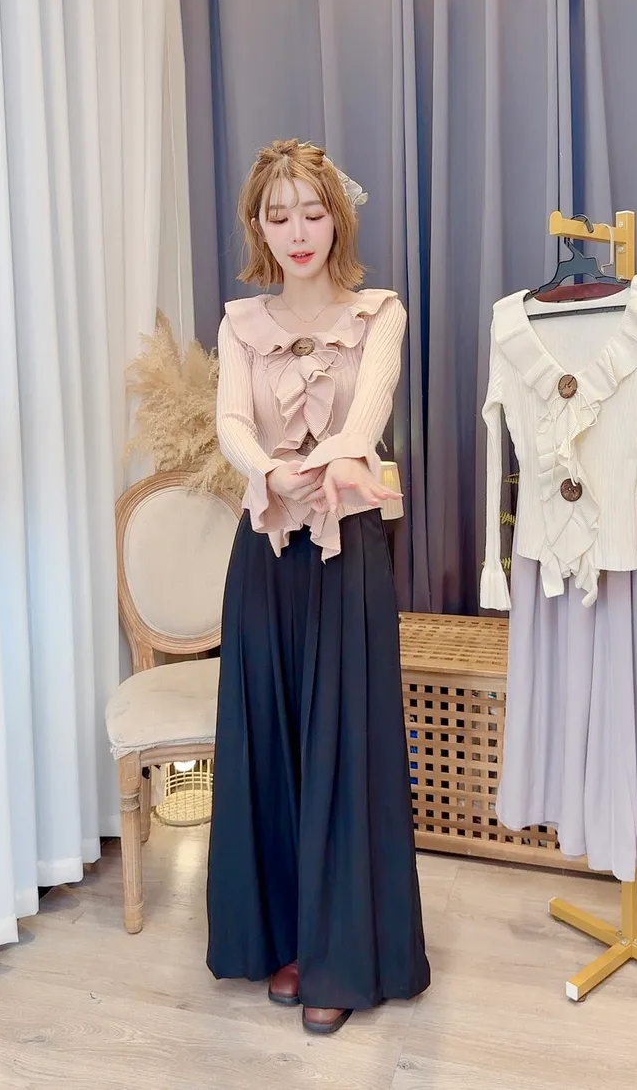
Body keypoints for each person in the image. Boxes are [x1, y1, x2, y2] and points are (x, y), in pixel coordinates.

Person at [205, 138, 430, 1034]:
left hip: (347, 552)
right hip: (265, 550)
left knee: (345, 743)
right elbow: (230, 419)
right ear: (258, 226)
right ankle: (288, 937)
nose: (297, 230)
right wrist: (269, 469)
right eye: (279, 214)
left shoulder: (380, 313)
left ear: (336, 217)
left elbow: (370, 409)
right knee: (272, 744)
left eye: (311, 211)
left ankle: (344, 952)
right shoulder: (238, 324)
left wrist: (333, 459)